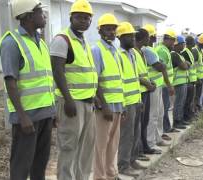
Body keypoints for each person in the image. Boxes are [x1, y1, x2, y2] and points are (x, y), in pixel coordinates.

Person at [0, 0, 55, 179]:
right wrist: (22, 116)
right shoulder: (11, 43)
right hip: (27, 118)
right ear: (29, 16)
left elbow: (46, 80)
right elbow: (10, 81)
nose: (44, 15)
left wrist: (52, 112)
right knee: (21, 166)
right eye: (40, 12)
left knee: (40, 165)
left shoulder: (41, 43)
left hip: (45, 114)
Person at [50, 0, 97, 179]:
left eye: (87, 18)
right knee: (69, 148)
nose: (83, 21)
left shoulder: (83, 41)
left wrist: (95, 96)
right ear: (71, 18)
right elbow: (57, 71)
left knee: (86, 149)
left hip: (88, 103)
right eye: (79, 17)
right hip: (71, 104)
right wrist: (68, 99)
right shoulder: (62, 40)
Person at [91, 13, 124, 180]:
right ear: (100, 31)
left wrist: (121, 106)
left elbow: (118, 81)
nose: (112, 32)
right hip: (105, 107)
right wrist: (104, 106)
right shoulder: (97, 50)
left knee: (113, 144)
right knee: (101, 145)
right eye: (108, 29)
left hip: (117, 105)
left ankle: (111, 174)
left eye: (113, 29)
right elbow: (94, 80)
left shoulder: (115, 51)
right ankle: (99, 177)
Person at [142, 25, 174, 154]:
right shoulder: (147, 50)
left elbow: (162, 66)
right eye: (153, 35)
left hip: (157, 85)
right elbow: (160, 66)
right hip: (153, 87)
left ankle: (157, 138)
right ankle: (151, 142)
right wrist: (162, 65)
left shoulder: (151, 49)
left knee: (159, 113)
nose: (155, 37)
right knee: (153, 115)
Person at [116, 22, 142, 177]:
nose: (134, 38)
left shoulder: (132, 54)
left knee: (135, 132)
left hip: (136, 99)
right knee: (126, 135)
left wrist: (139, 99)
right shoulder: (119, 55)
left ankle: (132, 159)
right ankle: (123, 165)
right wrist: (123, 104)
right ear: (122, 37)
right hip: (126, 101)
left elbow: (135, 78)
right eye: (130, 36)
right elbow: (120, 81)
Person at [132, 28, 156, 163]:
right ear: (143, 38)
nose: (150, 39)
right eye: (148, 37)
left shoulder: (141, 52)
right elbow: (135, 74)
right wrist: (147, 84)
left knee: (144, 121)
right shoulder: (133, 53)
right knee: (139, 122)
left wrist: (150, 82)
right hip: (139, 92)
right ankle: (139, 149)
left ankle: (143, 146)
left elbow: (143, 72)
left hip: (145, 90)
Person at [155, 29, 177, 137]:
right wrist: (169, 85)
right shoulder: (161, 51)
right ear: (167, 39)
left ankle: (166, 128)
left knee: (165, 107)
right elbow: (163, 69)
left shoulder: (165, 50)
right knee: (162, 110)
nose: (174, 43)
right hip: (163, 85)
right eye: (172, 40)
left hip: (164, 84)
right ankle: (163, 131)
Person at [171, 35, 191, 129]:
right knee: (179, 102)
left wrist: (186, 64)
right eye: (182, 44)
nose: (184, 46)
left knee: (182, 101)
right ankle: (177, 121)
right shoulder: (174, 54)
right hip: (178, 82)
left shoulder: (180, 54)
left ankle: (180, 119)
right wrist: (186, 64)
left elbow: (187, 64)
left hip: (183, 81)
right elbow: (184, 66)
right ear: (177, 44)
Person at [181, 35, 198, 123]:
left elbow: (192, 65)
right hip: (188, 80)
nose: (194, 44)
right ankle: (186, 117)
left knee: (190, 100)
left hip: (191, 80)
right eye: (193, 43)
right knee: (186, 101)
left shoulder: (190, 52)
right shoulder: (185, 52)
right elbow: (187, 66)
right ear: (190, 43)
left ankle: (188, 115)